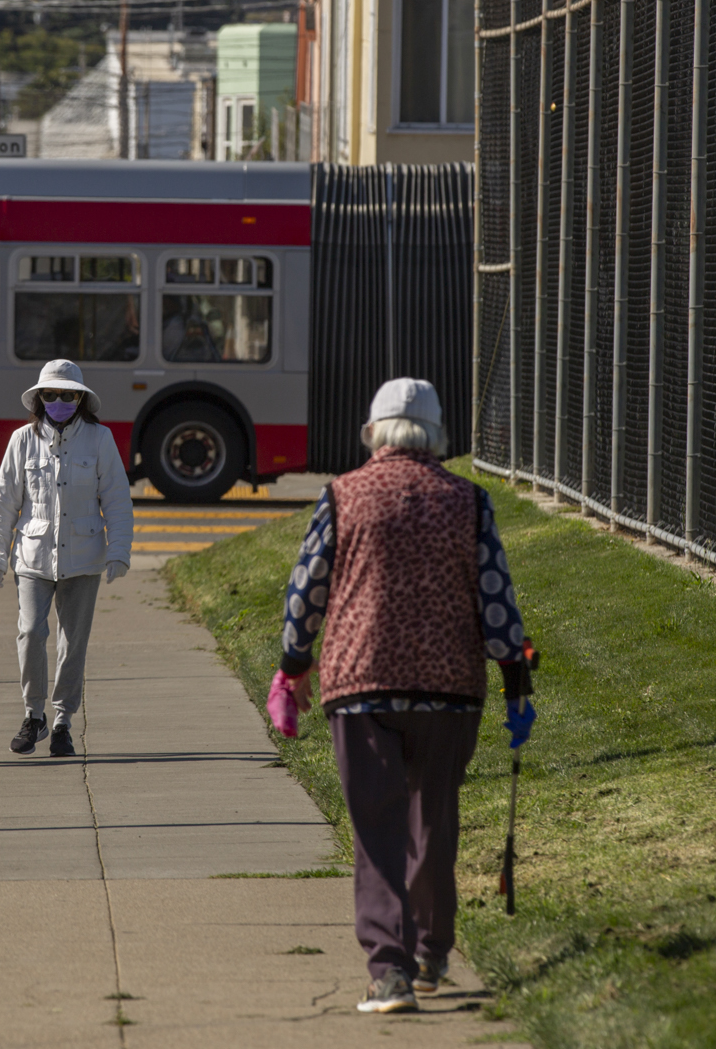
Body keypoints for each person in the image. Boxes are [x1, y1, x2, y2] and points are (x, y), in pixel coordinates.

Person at [270, 378, 536, 1015]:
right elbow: (496, 600)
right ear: (437, 434)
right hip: (449, 690)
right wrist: (515, 684)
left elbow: (307, 593)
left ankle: (387, 972)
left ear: (374, 432)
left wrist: (292, 667)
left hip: (361, 686)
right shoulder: (468, 500)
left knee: (377, 828)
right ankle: (430, 952)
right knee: (432, 822)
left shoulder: (343, 494)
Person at [0, 359, 134, 758]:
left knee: (73, 643)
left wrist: (119, 550)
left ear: (80, 399)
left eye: (66, 395)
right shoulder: (21, 440)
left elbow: (117, 500)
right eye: (49, 395)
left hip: (85, 558)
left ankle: (63, 722)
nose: (57, 401)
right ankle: (33, 714)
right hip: (33, 556)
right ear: (39, 399)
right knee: (31, 632)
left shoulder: (100, 440)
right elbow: (3, 504)